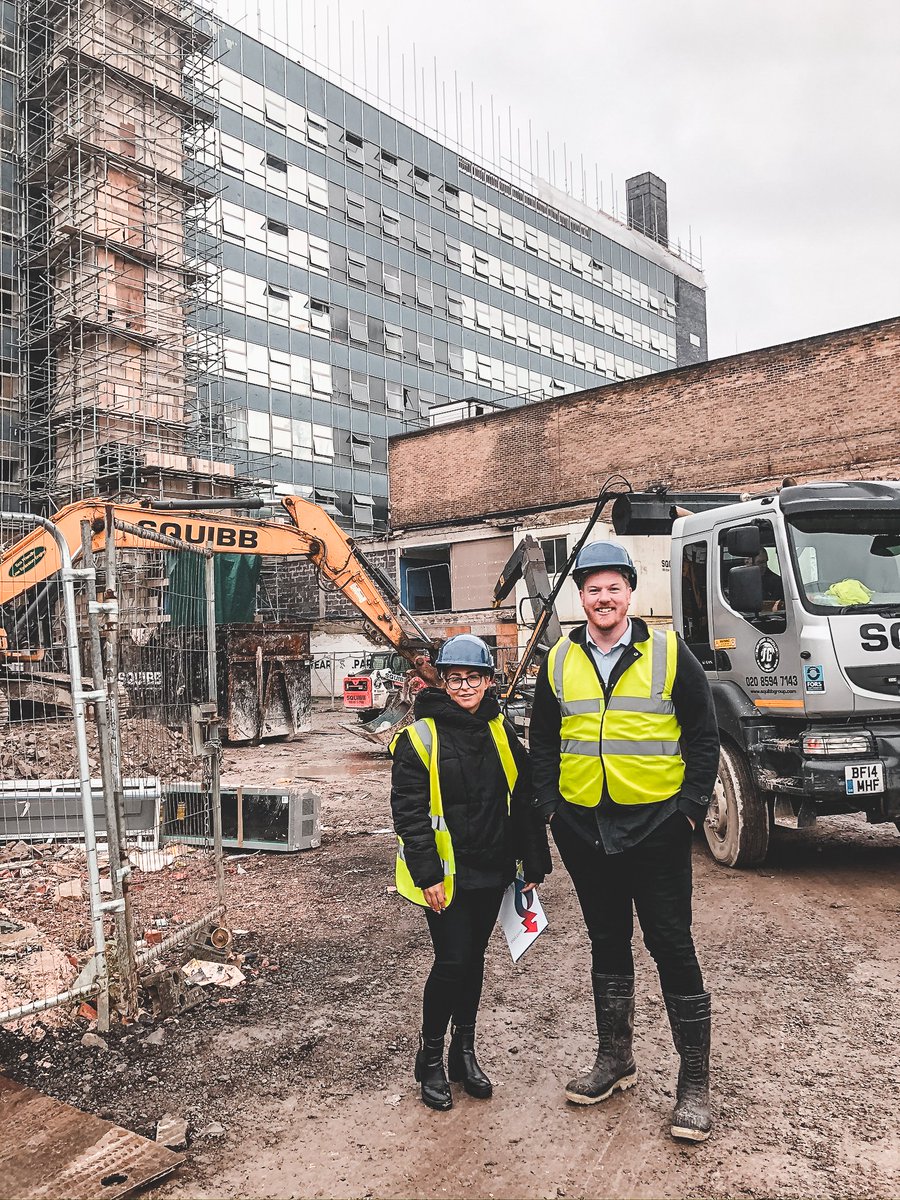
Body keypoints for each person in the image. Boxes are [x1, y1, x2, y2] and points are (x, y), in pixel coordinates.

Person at [529, 542, 720, 1142]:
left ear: (630, 592)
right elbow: (542, 739)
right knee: (607, 942)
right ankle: (616, 1060)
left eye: (613, 588)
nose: (602, 599)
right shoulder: (560, 658)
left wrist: (688, 811)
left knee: (670, 943)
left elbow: (704, 734)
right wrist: (552, 810)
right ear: (579, 597)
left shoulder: (666, 651)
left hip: (656, 827)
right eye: (592, 590)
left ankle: (693, 1082)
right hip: (585, 829)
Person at [390, 633, 551, 1111]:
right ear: (441, 679)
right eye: (455, 678)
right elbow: (410, 812)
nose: (464, 687)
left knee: (474, 960)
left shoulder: (499, 729)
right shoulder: (420, 736)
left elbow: (522, 801)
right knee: (453, 962)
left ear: (487, 681)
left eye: (473, 678)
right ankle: (432, 1058)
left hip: (492, 868)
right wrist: (428, 874)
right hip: (447, 875)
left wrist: (531, 863)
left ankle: (464, 1052)